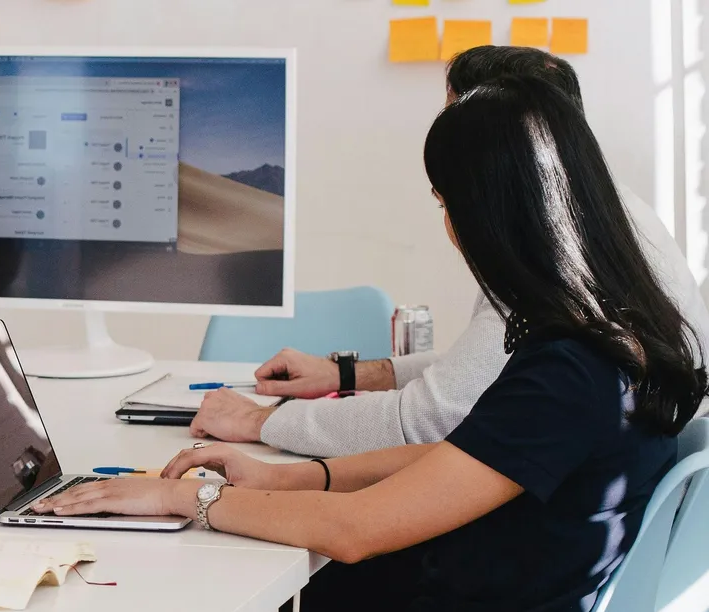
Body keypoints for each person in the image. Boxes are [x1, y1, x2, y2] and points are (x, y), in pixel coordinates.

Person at [39, 75, 708, 612]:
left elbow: (354, 532)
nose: (447, 226)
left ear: (491, 214)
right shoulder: (617, 337)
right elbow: (460, 459)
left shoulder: (569, 371)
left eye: (446, 202)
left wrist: (186, 500)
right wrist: (287, 475)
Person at [188, 45, 709, 455]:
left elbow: (428, 420)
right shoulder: (603, 213)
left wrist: (260, 422)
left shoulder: (556, 249)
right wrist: (345, 375)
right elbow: (491, 366)